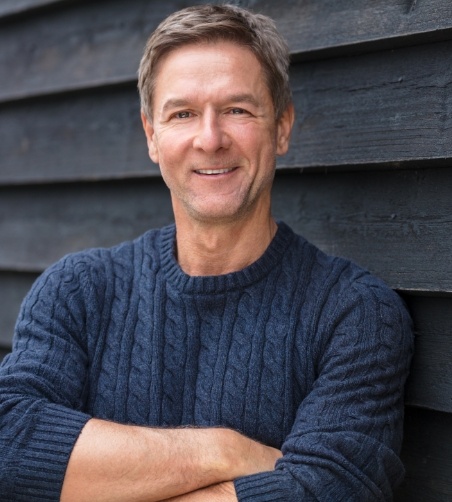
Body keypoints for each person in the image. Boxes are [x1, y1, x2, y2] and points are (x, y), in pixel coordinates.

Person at [0, 4, 413, 501]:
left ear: (281, 127)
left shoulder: (354, 313)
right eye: (183, 114)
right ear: (152, 136)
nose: (210, 138)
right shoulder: (78, 291)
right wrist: (225, 451)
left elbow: (329, 490)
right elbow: (9, 441)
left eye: (237, 110)